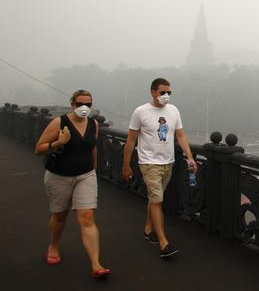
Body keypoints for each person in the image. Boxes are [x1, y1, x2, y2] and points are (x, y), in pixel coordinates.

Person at [35, 89, 111, 278]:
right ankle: (53, 245)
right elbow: (39, 149)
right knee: (60, 216)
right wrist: (59, 142)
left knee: (87, 218)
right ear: (72, 104)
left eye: (88, 104)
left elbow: (92, 148)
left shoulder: (93, 123)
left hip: (85, 175)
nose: (84, 108)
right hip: (59, 176)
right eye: (80, 104)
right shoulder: (59, 122)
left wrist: (93, 171)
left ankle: (96, 265)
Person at [122, 78, 197, 258]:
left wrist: (190, 156)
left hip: (168, 162)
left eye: (169, 93)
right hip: (149, 163)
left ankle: (148, 229)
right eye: (162, 92)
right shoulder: (141, 112)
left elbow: (180, 135)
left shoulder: (174, 110)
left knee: (155, 198)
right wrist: (126, 166)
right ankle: (163, 243)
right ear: (153, 92)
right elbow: (131, 140)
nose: (166, 96)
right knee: (157, 200)